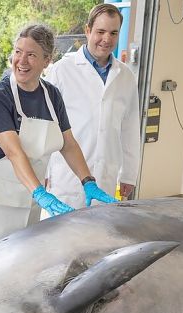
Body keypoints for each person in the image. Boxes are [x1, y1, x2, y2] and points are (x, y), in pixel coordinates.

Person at [0, 23, 116, 265]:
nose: (22, 61)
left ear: (47, 60)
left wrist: (88, 182)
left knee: (18, 263)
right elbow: (14, 152)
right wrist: (42, 194)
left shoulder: (51, 95)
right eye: (18, 52)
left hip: (28, 195)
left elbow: (68, 143)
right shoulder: (0, 96)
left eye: (31, 54)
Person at [45, 3, 142, 206]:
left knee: (100, 235)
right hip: (66, 178)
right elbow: (47, 125)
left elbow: (130, 129)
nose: (107, 39)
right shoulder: (62, 71)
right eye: (100, 31)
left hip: (106, 176)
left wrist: (129, 174)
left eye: (113, 33)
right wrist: (43, 171)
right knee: (63, 235)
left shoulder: (125, 77)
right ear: (88, 31)